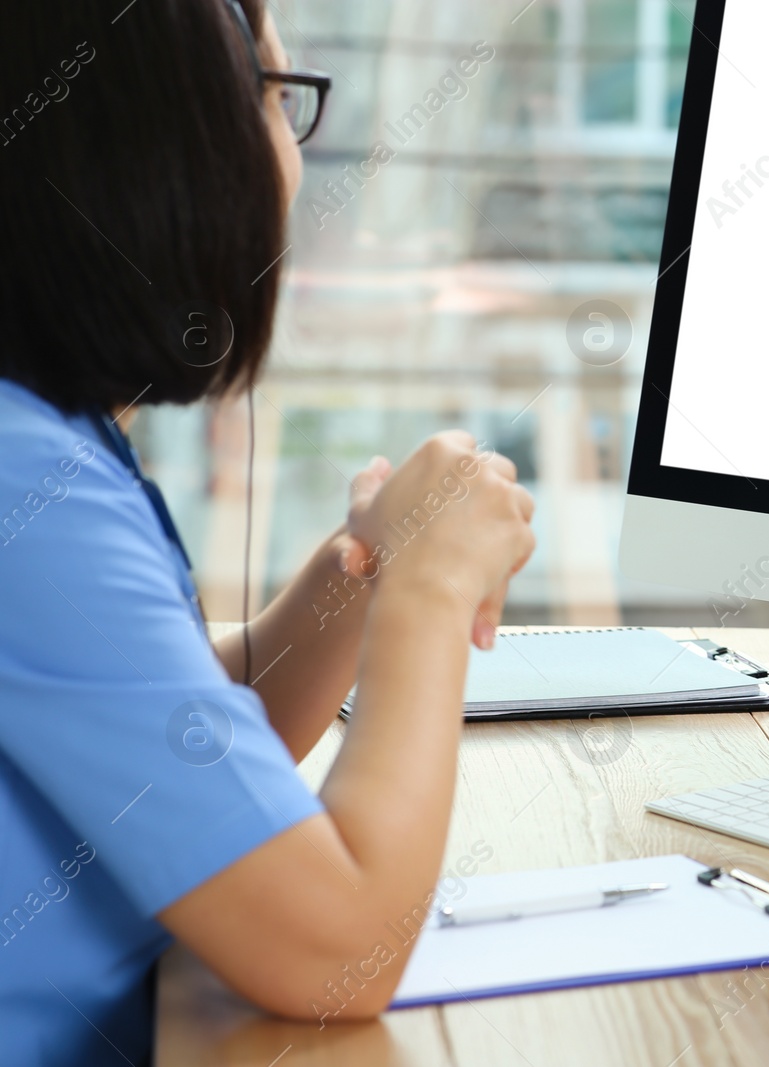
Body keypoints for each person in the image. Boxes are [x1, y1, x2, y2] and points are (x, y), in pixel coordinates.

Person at [0, 3, 536, 1064]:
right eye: (279, 102)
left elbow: (193, 720)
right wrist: (429, 598)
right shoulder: (30, 490)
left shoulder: (42, 433)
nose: (290, 160)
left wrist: (370, 570)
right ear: (161, 142)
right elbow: (337, 954)